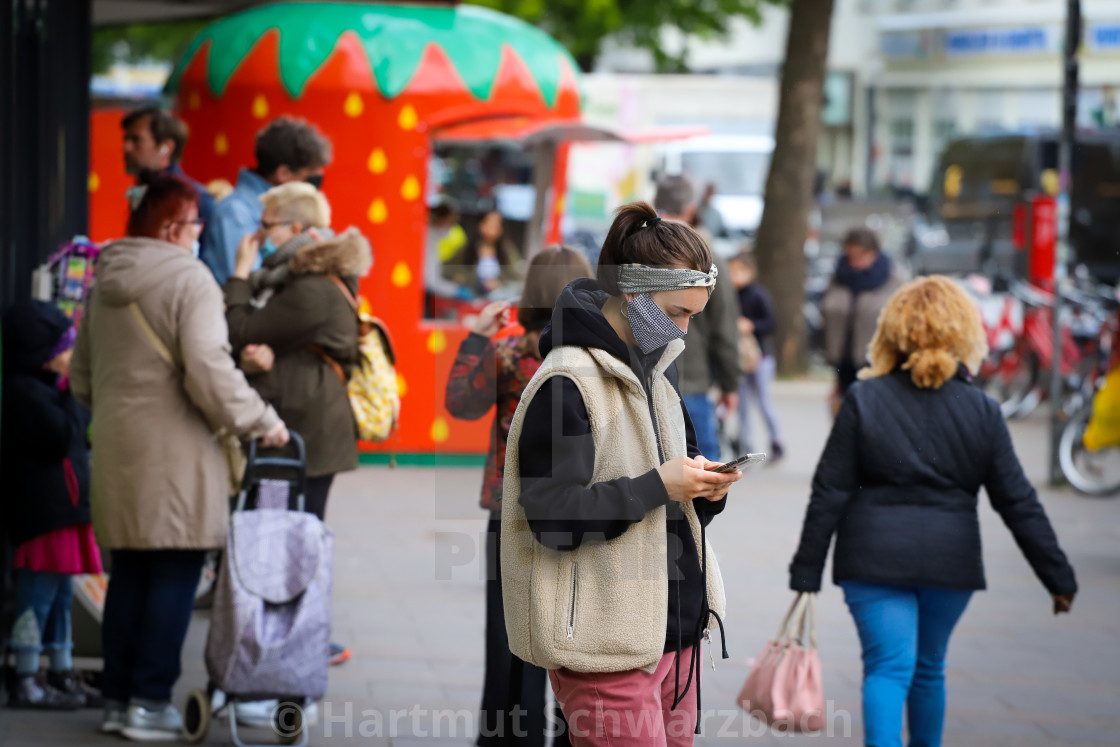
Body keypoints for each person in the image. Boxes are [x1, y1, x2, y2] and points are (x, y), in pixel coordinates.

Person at [789, 276, 1078, 747]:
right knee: (928, 668)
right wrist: (1058, 577)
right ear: (966, 332)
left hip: (872, 560)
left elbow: (830, 491)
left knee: (887, 668)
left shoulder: (864, 399)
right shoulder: (983, 410)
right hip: (951, 562)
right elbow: (1017, 501)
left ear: (894, 330)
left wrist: (806, 570)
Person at [501, 202, 742, 745]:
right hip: (602, 640)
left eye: (693, 317)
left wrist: (706, 487)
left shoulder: (658, 363)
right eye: (676, 312)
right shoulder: (566, 381)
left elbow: (676, 482)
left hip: (676, 632)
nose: (682, 330)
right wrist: (661, 485)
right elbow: (552, 518)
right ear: (633, 294)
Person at [70, 170, 289, 742]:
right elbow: (210, 372)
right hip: (178, 455)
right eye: (196, 223)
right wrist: (262, 420)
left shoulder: (104, 279)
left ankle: (117, 699)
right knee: (174, 572)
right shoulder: (189, 280)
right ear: (172, 227)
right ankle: (148, 702)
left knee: (130, 576)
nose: (200, 233)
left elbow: (82, 378)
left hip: (118, 449)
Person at [445, 247, 593, 747]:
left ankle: (507, 737)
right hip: (578, 511)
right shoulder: (592, 360)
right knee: (570, 633)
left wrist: (478, 334)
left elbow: (460, 403)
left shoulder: (510, 354)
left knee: (509, 637)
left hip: (509, 513)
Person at [1, 300, 102, 710]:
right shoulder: (23, 392)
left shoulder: (48, 391)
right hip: (44, 515)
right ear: (41, 355)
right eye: (65, 348)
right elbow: (62, 436)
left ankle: (60, 669)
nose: (72, 356)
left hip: (65, 510)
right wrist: (74, 393)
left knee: (61, 596)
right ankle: (25, 675)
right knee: (38, 596)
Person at [656, 175, 739, 461]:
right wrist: (729, 384)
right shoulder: (709, 257)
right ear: (691, 209)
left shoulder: (634, 250)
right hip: (690, 381)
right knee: (704, 470)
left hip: (640, 378)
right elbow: (724, 329)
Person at [203, 116, 332, 285]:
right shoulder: (236, 214)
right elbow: (246, 286)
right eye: (310, 179)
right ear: (284, 173)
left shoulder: (251, 209)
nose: (312, 188)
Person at [821, 227, 903, 405]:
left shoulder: (892, 280)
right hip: (843, 357)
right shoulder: (838, 277)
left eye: (860, 255)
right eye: (851, 255)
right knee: (846, 408)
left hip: (876, 360)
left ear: (874, 253)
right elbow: (827, 309)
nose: (854, 261)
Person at [121, 107, 214, 243]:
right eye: (126, 139)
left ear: (166, 147)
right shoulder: (144, 192)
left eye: (136, 140)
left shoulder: (195, 198)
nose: (126, 147)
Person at [727, 253, 784, 462]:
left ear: (749, 272)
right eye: (731, 271)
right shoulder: (728, 295)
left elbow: (771, 323)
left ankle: (777, 441)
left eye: (739, 270)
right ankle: (746, 444)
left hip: (759, 356)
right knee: (741, 403)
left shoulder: (758, 294)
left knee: (762, 400)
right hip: (738, 357)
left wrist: (751, 325)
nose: (734, 276)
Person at [445, 210, 523, 298]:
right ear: (481, 225)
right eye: (490, 223)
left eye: (498, 224)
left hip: (498, 298)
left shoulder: (507, 250)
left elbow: (516, 276)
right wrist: (462, 278)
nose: (494, 227)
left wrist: (500, 283)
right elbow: (447, 269)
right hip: (471, 298)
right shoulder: (468, 248)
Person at [424, 198, 472, 307]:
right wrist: (455, 291)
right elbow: (430, 280)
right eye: (450, 222)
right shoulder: (427, 238)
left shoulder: (432, 238)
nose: (452, 227)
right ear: (439, 219)